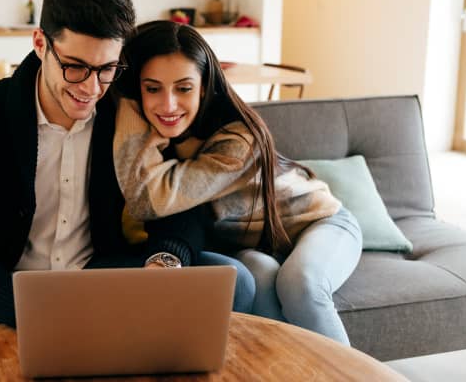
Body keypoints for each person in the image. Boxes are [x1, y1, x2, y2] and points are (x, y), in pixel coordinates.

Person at [0, 0, 224, 351]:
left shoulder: (125, 113)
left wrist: (165, 262)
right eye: (75, 66)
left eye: (106, 69)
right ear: (40, 44)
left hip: (99, 276)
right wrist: (28, 309)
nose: (91, 88)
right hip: (1, 289)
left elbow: (179, 204)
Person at [113, 20, 363, 345]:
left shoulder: (237, 142)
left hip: (322, 224)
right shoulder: (167, 135)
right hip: (259, 245)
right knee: (254, 275)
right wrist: (131, 97)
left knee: (300, 283)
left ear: (204, 86)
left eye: (184, 88)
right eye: (152, 88)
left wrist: (129, 102)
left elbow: (147, 197)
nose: (169, 104)